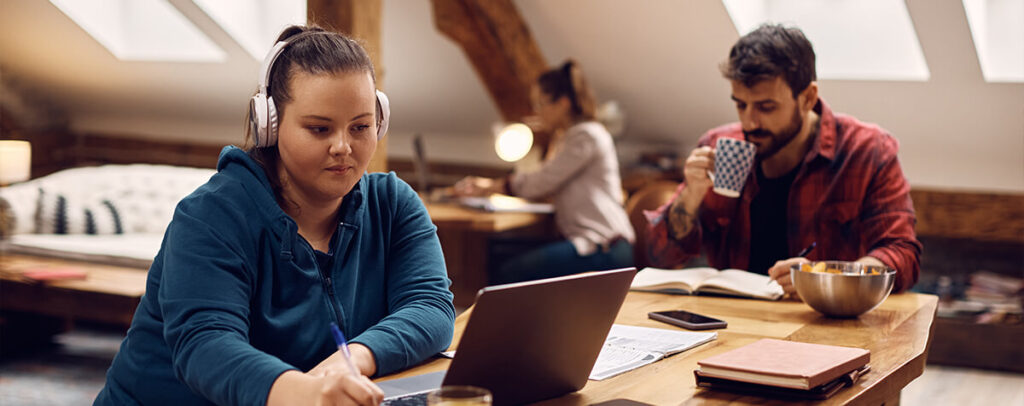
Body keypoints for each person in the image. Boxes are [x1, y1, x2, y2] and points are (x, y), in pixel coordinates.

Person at [94, 26, 455, 406]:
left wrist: (352, 359)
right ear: (270, 123)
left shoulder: (393, 203)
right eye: (319, 129)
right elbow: (207, 346)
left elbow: (430, 305)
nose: (343, 147)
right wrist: (306, 393)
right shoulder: (209, 217)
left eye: (361, 127)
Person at [646, 24, 921, 298]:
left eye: (766, 107)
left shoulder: (867, 150)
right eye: (741, 104)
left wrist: (825, 277)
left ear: (808, 98)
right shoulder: (719, 147)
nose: (749, 122)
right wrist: (691, 196)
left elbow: (901, 254)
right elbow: (660, 255)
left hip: (824, 325)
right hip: (732, 323)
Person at [454, 60, 635, 284]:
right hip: (589, 243)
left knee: (512, 271)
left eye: (541, 104)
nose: (537, 112)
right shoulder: (568, 137)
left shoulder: (586, 135)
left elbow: (541, 181)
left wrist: (491, 186)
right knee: (499, 253)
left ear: (563, 103)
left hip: (604, 246)